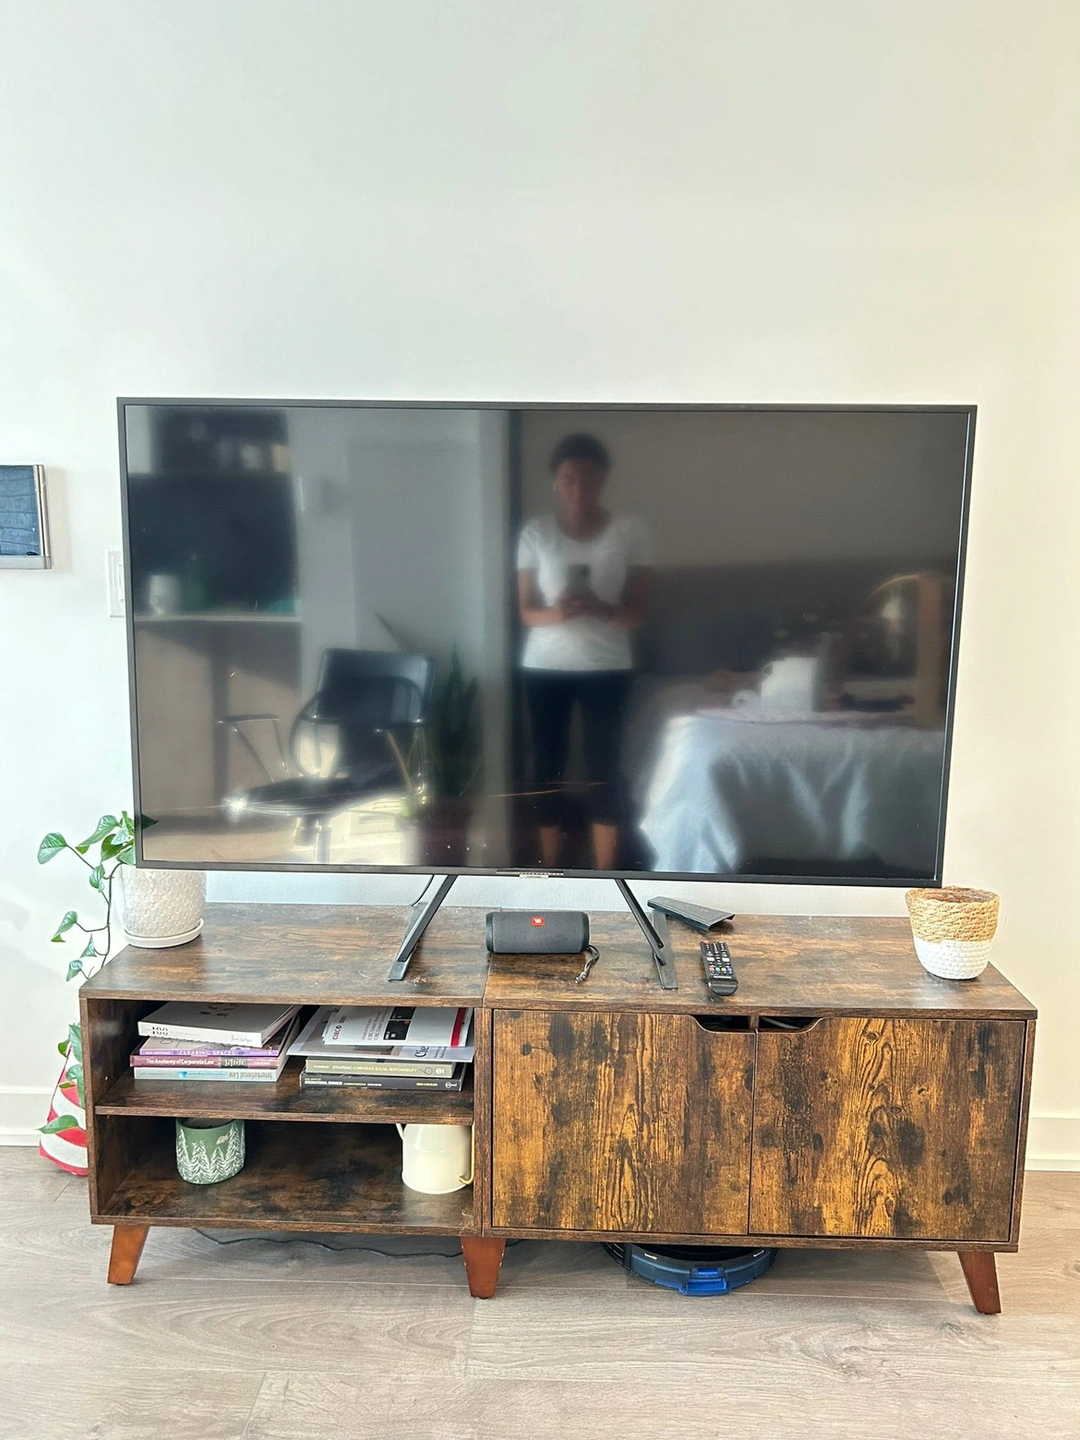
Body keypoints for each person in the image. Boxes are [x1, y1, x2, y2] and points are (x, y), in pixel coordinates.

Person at [517, 432, 652, 869]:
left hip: (607, 667)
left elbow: (638, 613)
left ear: (603, 480)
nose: (579, 490)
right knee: (546, 768)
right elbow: (526, 612)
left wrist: (604, 609)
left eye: (589, 481)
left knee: (604, 770)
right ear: (556, 482)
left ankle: (605, 874)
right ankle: (548, 869)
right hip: (544, 667)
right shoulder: (536, 533)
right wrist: (557, 612)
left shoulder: (631, 531)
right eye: (569, 480)